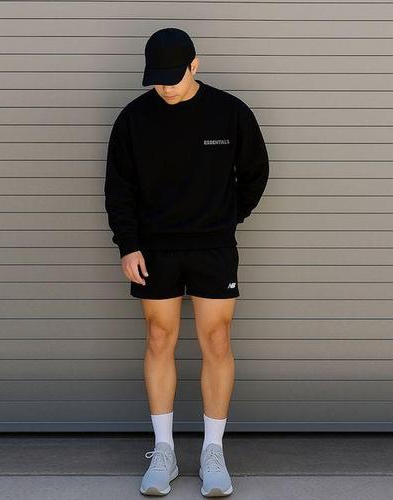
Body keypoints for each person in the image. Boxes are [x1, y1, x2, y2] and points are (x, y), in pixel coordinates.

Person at [104, 27, 269, 497]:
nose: (165, 87)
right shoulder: (133, 119)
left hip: (213, 247)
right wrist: (128, 245)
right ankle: (165, 451)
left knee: (216, 340)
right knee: (159, 338)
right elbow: (119, 187)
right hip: (154, 249)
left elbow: (256, 172)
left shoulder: (230, 112)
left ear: (194, 65)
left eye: (172, 77)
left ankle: (213, 452)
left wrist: (226, 216)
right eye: (156, 79)